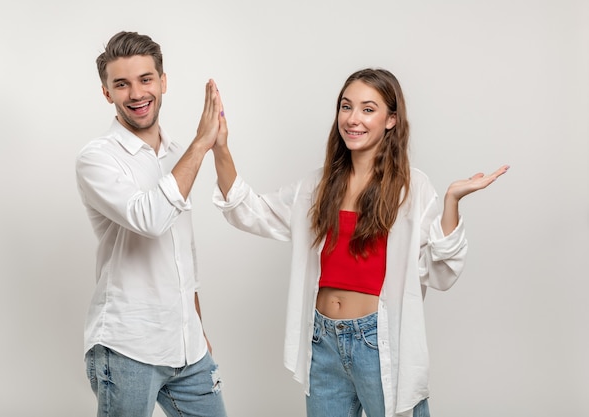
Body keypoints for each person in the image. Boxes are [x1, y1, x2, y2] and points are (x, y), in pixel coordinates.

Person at [210, 68, 508, 417]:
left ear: (391, 120)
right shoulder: (317, 187)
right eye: (346, 106)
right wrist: (221, 148)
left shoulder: (411, 189)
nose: (353, 119)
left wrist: (452, 202)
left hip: (377, 343)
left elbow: (441, 272)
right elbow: (251, 211)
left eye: (368, 109)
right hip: (322, 343)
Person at [75, 31, 227, 417]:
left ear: (163, 81)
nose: (136, 93)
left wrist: (196, 326)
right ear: (107, 93)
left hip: (188, 348)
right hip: (128, 348)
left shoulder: (177, 154)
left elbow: (182, 251)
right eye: (121, 84)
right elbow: (151, 219)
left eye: (145, 79)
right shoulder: (97, 158)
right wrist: (201, 143)